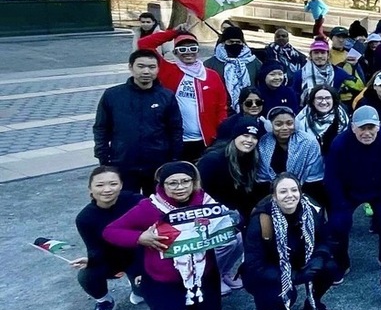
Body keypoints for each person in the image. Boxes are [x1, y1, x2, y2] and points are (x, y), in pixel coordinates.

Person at [102, 162, 226, 310]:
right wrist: (139, 238)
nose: (180, 187)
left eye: (185, 181)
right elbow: (110, 231)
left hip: (202, 275)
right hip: (164, 277)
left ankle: (195, 304)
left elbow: (227, 221)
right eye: (172, 183)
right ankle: (159, 305)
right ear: (162, 185)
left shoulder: (206, 202)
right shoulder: (150, 207)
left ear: (193, 182)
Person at [242, 173, 337, 310]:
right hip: (270, 266)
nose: (290, 195)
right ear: (274, 196)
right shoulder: (261, 219)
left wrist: (319, 258)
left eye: (294, 190)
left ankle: (313, 303)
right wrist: (294, 276)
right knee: (283, 299)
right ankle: (264, 307)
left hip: (299, 259)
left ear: (300, 192)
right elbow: (254, 265)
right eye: (283, 191)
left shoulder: (312, 209)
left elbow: (326, 239)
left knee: (330, 267)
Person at [324, 106, 381, 279]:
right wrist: (341, 203)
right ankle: (341, 263)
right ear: (353, 127)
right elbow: (332, 177)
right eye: (362, 128)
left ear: (379, 126)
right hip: (348, 191)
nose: (367, 132)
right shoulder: (339, 143)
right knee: (338, 223)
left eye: (371, 127)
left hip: (380, 189)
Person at [93, 50, 183, 195]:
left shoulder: (166, 96)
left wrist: (174, 159)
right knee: (125, 207)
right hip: (123, 163)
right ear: (130, 67)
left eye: (152, 67)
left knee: (156, 208)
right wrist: (104, 157)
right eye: (141, 66)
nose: (146, 71)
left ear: (158, 69)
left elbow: (175, 129)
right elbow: (101, 129)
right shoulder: (113, 95)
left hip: (157, 165)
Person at [136, 28, 230, 161]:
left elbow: (222, 106)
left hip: (207, 141)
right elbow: (144, 44)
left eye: (192, 48)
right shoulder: (167, 70)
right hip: (176, 140)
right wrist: (173, 33)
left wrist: (219, 132)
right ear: (175, 52)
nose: (188, 53)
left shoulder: (211, 75)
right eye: (182, 49)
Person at [73, 167, 144, 310]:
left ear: (121, 185)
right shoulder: (85, 218)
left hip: (139, 254)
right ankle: (105, 302)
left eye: (113, 184)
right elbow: (94, 248)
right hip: (111, 258)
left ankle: (138, 287)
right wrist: (91, 260)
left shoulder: (136, 201)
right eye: (99, 185)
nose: (107, 189)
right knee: (87, 273)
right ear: (90, 188)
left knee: (143, 293)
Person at [196, 117, 263, 222]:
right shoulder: (213, 160)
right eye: (245, 135)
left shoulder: (251, 158)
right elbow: (198, 191)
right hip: (212, 215)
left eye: (254, 137)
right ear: (235, 136)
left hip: (238, 214)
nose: (249, 140)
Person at [256, 107, 325, 194]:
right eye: (278, 124)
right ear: (269, 126)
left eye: (289, 123)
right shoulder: (263, 143)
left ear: (295, 124)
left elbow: (314, 177)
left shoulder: (309, 142)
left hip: (306, 191)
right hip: (271, 192)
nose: (285, 128)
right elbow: (262, 178)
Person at [205, 25, 261, 108]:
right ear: (224, 43)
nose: (235, 44)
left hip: (249, 107)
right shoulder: (210, 64)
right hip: (221, 107)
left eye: (238, 42)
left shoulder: (253, 62)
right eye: (231, 42)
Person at [296, 85, 350, 155]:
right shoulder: (301, 119)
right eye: (319, 98)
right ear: (313, 101)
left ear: (333, 100)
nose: (324, 102)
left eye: (327, 98)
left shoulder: (342, 117)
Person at [292, 39, 350, 104]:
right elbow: (294, 97)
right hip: (306, 110)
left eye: (323, 53)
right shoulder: (299, 74)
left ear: (328, 55)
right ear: (311, 55)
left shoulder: (339, 73)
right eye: (316, 53)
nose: (319, 56)